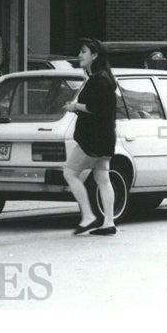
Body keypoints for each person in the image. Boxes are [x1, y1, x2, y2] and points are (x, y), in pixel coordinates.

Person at [62, 37, 119, 235]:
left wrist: (74, 106)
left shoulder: (98, 80)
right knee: (103, 178)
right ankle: (109, 222)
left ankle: (88, 216)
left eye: (83, 52)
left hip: (92, 138)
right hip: (104, 137)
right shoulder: (105, 78)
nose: (79, 55)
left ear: (95, 55)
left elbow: (97, 108)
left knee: (69, 172)